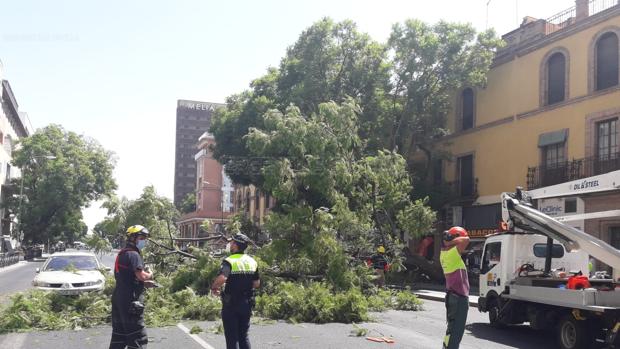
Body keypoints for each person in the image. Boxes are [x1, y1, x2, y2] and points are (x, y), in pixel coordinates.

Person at [109, 225, 155, 349]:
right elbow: (141, 275)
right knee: (138, 337)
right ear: (133, 238)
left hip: (119, 298)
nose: (144, 240)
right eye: (142, 237)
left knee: (120, 335)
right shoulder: (134, 254)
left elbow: (127, 277)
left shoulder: (122, 253)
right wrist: (150, 275)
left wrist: (144, 283)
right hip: (131, 301)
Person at [211, 233, 260, 349]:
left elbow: (223, 278)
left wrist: (214, 287)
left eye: (232, 242)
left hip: (231, 304)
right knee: (244, 336)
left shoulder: (229, 261)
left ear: (236, 245)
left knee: (232, 338)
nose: (230, 244)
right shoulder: (252, 261)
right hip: (246, 303)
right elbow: (257, 283)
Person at [440, 226, 470, 349]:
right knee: (456, 331)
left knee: (451, 330)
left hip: (452, 296)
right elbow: (466, 240)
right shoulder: (452, 253)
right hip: (458, 299)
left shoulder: (444, 253)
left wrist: (449, 240)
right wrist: (451, 240)